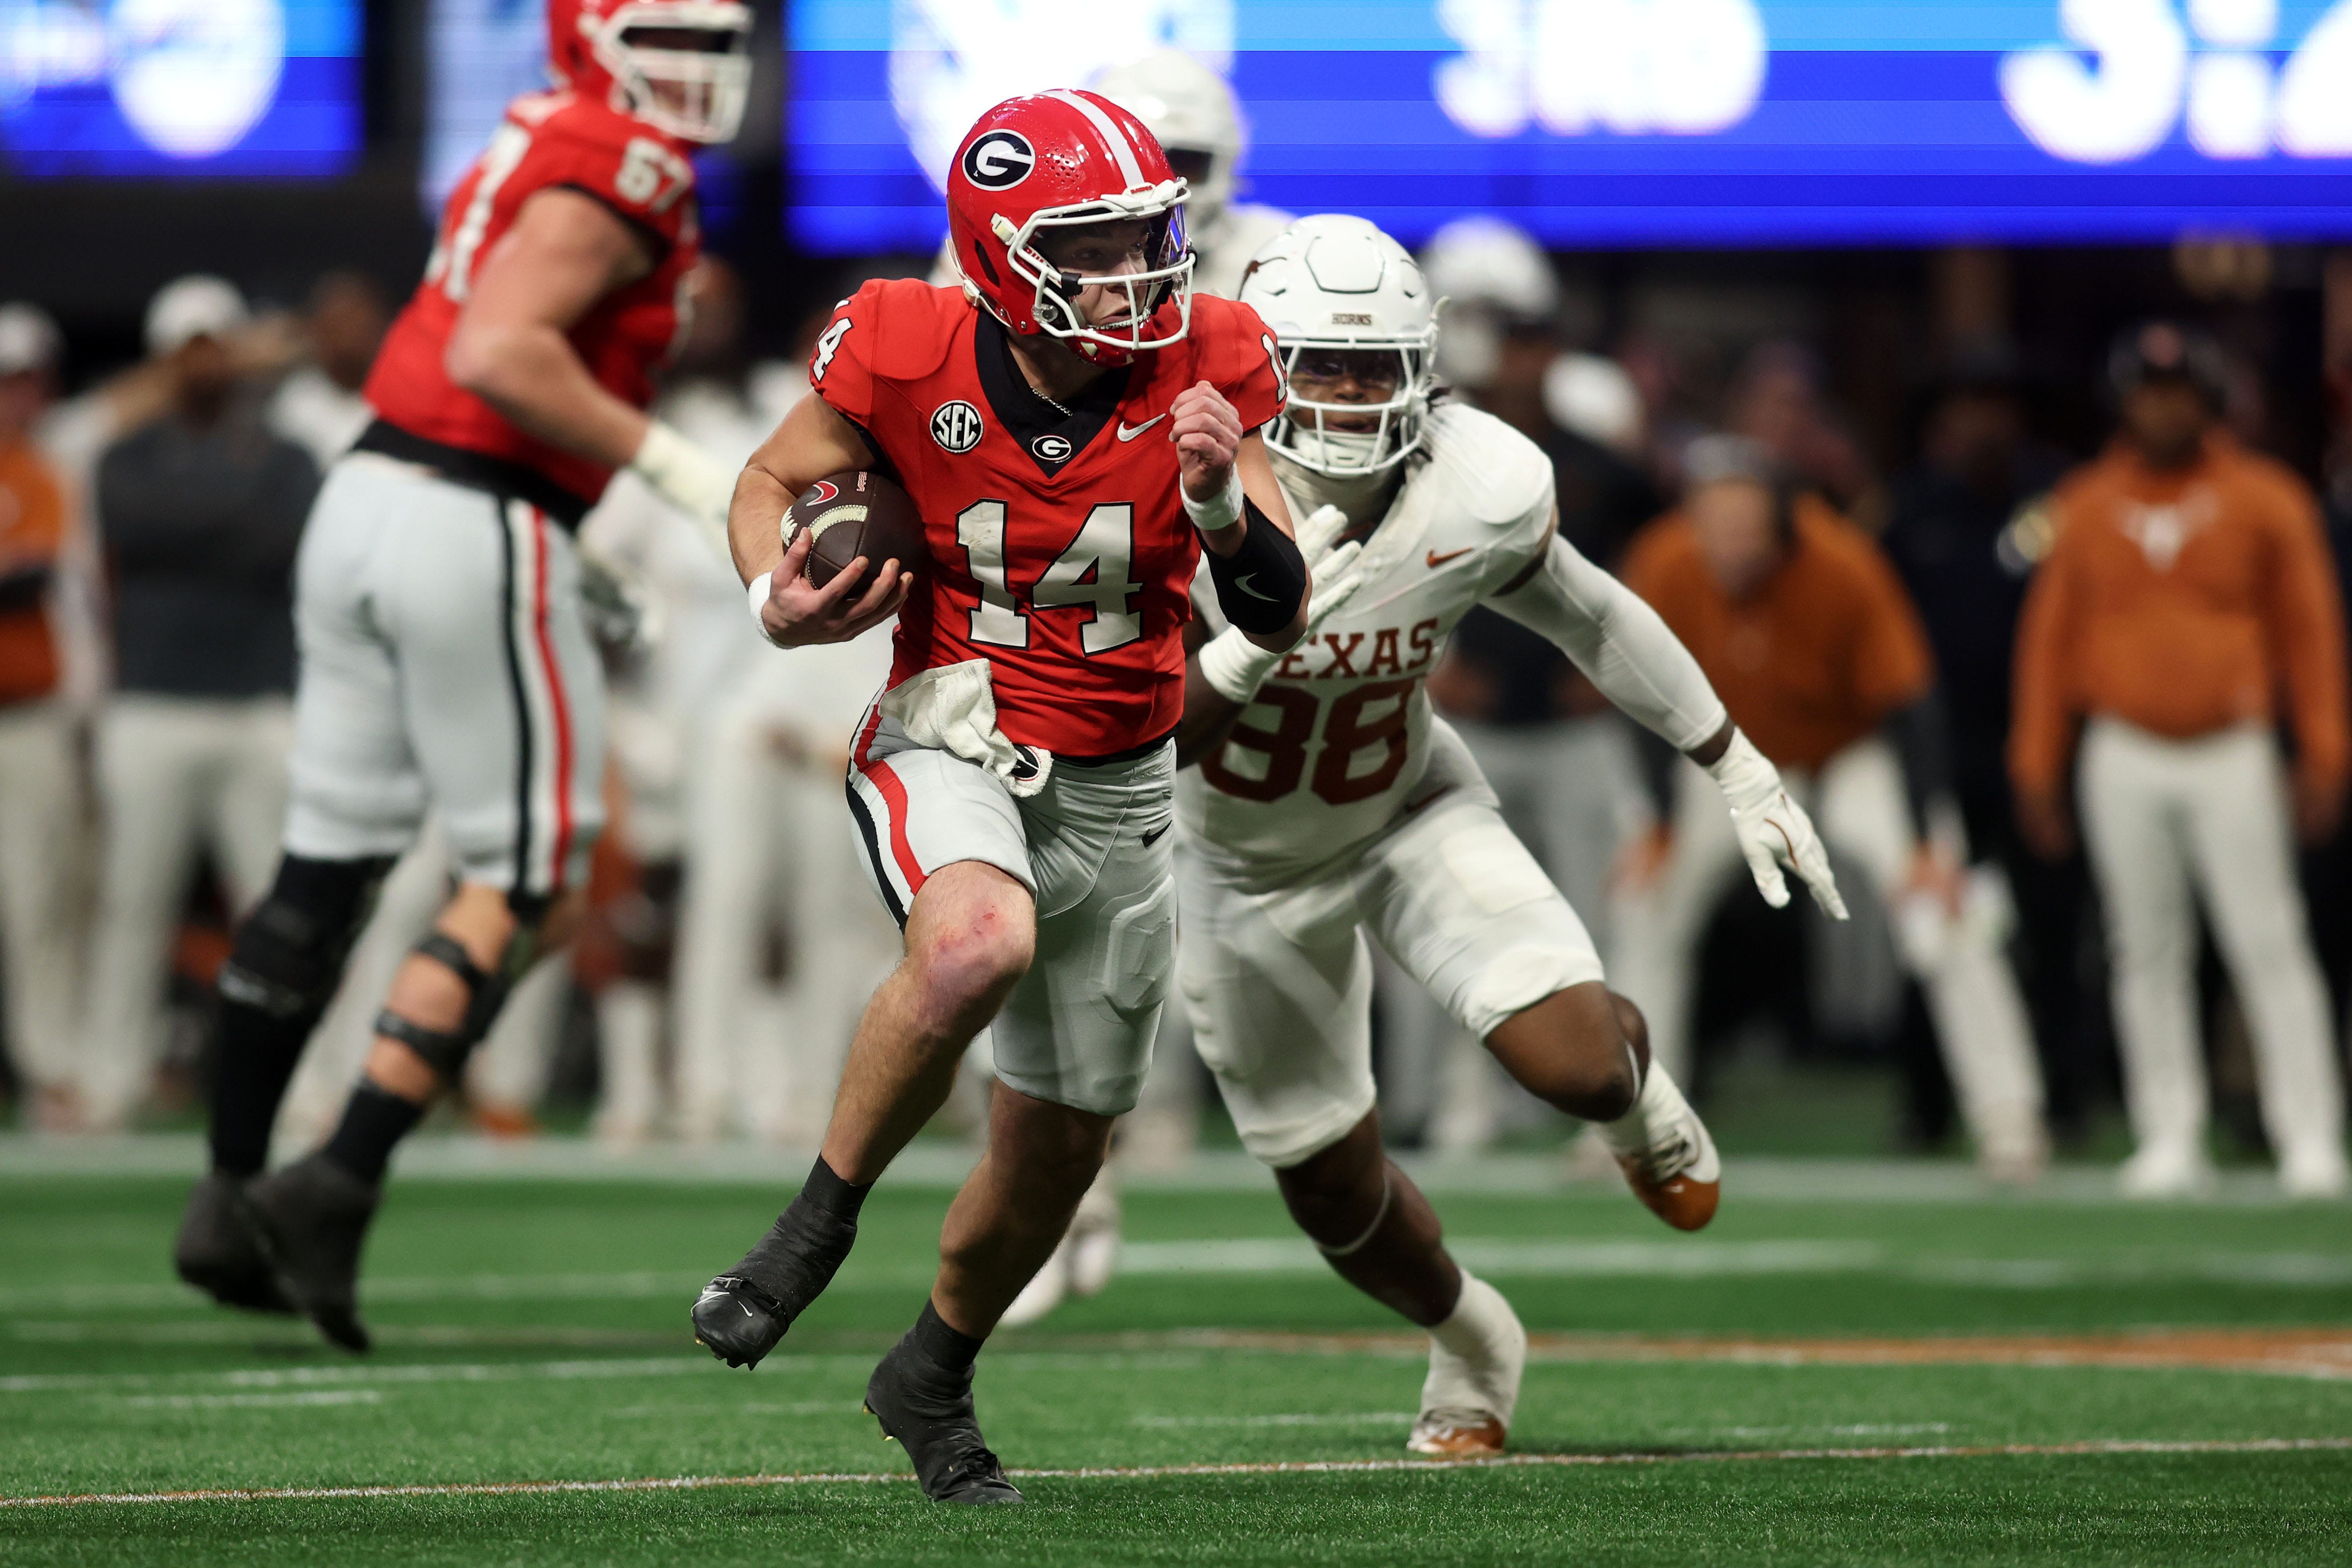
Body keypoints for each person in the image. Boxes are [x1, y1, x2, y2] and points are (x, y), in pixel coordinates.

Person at [690, 89, 1309, 1504]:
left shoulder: (1209, 357)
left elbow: (1274, 609)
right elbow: (771, 477)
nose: (1136, 273)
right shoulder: (905, 343)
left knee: (1057, 1150)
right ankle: (814, 1230)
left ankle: (932, 1376)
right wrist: (768, 593)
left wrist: (1219, 504)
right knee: (977, 941)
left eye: (1145, 236)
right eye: (1092, 247)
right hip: (951, 728)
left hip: (1123, 785)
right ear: (1003, 253)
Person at [1174, 216, 1844, 1457]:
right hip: (1235, 868)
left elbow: (1593, 615)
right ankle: (1475, 1335)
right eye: (1323, 365)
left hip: (1407, 810)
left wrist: (1733, 761)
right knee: (1329, 1187)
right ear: (1260, 364)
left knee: (1578, 1064)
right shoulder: (1176, 485)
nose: (1353, 396)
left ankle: (1638, 1107)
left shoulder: (1477, 482)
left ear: (1426, 367)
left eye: (1377, 369)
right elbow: (1142, 728)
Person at [170, 0, 754, 1349]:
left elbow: (476, 341)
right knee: (535, 872)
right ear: (592, 31)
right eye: (671, 33)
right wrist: (672, 477)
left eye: (722, 41)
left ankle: (225, 1190)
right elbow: (502, 350)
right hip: (472, 513)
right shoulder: (631, 158)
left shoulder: (540, 128)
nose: (700, 68)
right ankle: (342, 1177)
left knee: (326, 864)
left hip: (374, 496)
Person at [1614, 436, 2049, 1181]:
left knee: (1947, 909)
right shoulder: (1663, 560)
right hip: (1728, 758)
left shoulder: (1842, 562)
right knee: (1645, 903)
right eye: (1714, 528)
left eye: (1746, 530)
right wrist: (1658, 824)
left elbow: (1911, 708)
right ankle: (1628, 1123)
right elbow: (1633, 693)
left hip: (1851, 754)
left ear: (1784, 524)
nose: (1729, 548)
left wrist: (1922, 844)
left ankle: (2010, 1120)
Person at [2011, 323, 2350, 1199]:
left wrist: (2324, 750)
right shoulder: (2084, 502)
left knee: (2268, 941)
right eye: (2148, 389)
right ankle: (2169, 1133)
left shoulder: (2267, 499)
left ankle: (2308, 1133)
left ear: (2210, 401)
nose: (2163, 406)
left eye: (2179, 389)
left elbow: (2311, 635)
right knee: (2141, 949)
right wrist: (2036, 760)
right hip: (2122, 745)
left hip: (2232, 747)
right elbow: (2050, 643)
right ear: (2125, 402)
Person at [80, 277, 317, 1130]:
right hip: (149, 705)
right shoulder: (125, 456)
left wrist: (197, 528)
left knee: (278, 913)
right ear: (165, 358)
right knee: (130, 904)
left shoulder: (285, 454)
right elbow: (135, 528)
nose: (204, 362)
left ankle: (293, 1089)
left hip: (256, 707)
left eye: (217, 343)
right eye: (189, 346)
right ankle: (108, 1082)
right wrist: (224, 522)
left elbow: (277, 540)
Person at [1880, 352, 2095, 1145]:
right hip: (1940, 747)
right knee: (1933, 924)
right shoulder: (1909, 509)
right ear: (1944, 417)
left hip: (2041, 742)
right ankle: (1927, 1105)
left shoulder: (2060, 503)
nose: (1984, 422)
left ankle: (2063, 1098)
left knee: (2052, 924)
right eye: (1969, 404)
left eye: (1997, 404)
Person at [0, 303, 84, 1129]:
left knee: (39, 906)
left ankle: (50, 1074)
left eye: (21, 381)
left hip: (29, 717)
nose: (10, 398)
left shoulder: (50, 467)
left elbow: (32, 578)